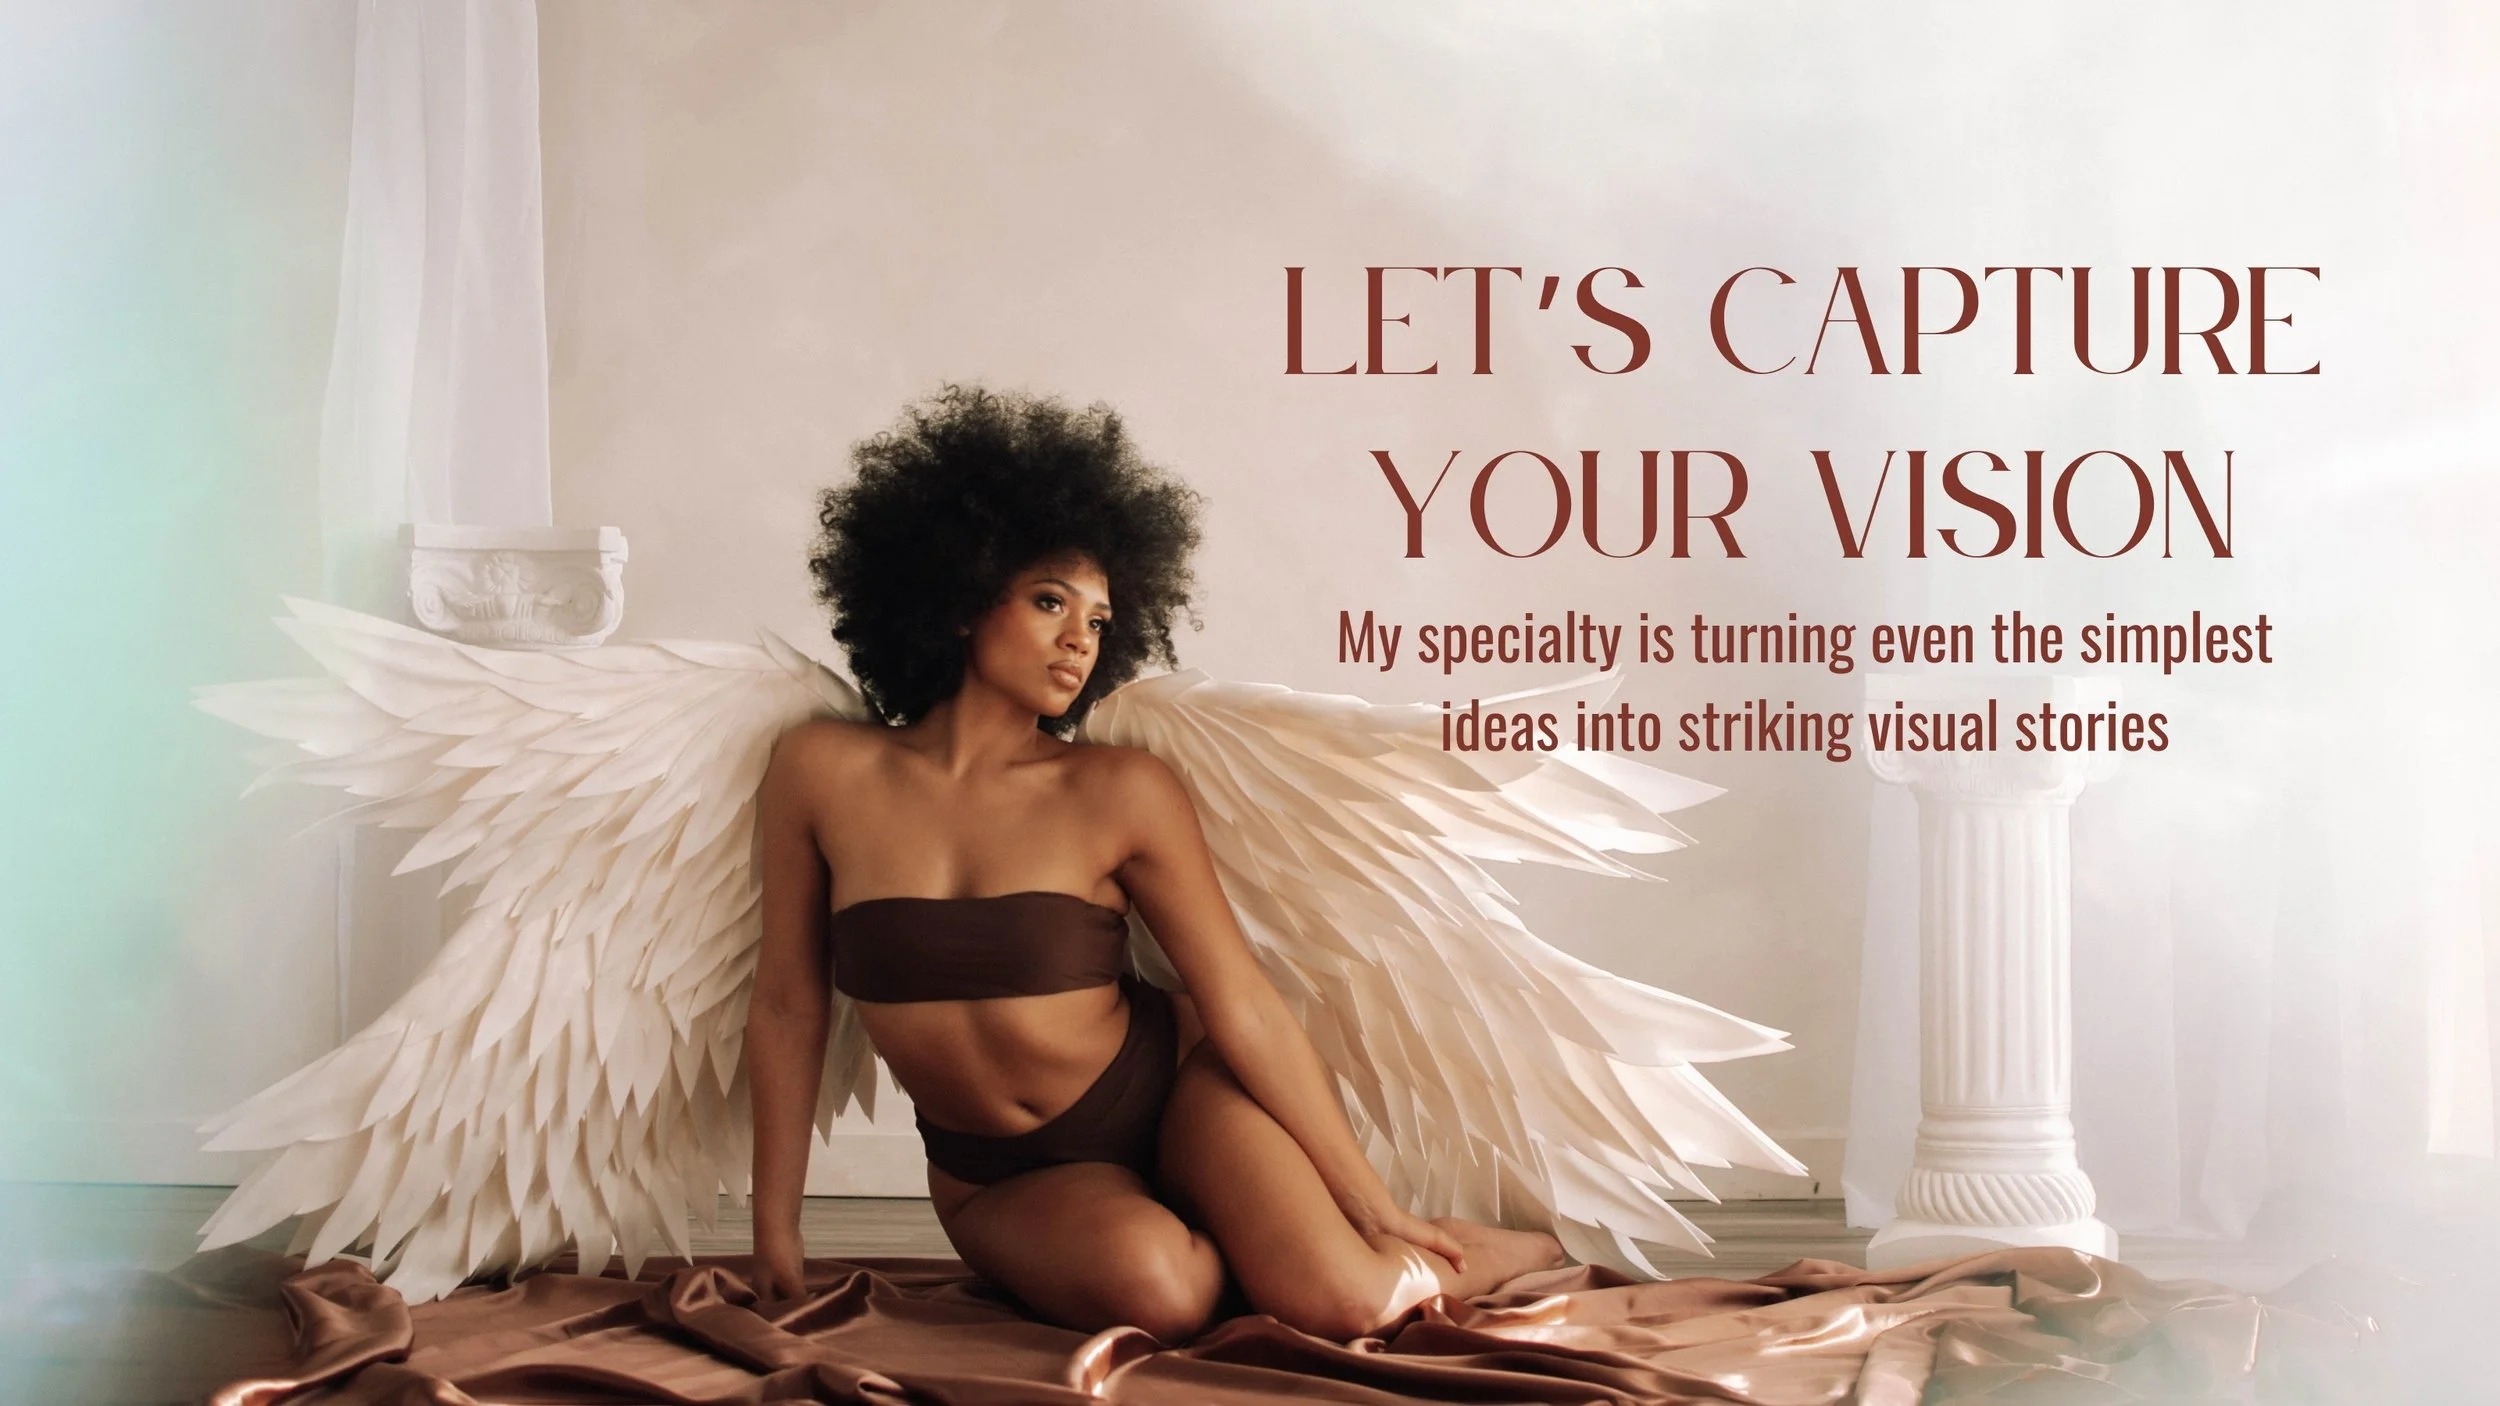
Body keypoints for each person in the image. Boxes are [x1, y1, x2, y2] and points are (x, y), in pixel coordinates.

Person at [742, 385, 1565, 1345]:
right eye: (1051, 601)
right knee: (1161, 1294)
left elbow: (1242, 1001)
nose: (1077, 641)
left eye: (1098, 619)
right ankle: (1253, 1241)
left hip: (1174, 1091)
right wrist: (775, 1223)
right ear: (962, 598)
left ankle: (1508, 1251)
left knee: (1341, 1301)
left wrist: (1375, 1205)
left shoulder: (1120, 789)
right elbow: (789, 1004)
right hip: (1005, 1174)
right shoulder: (821, 770)